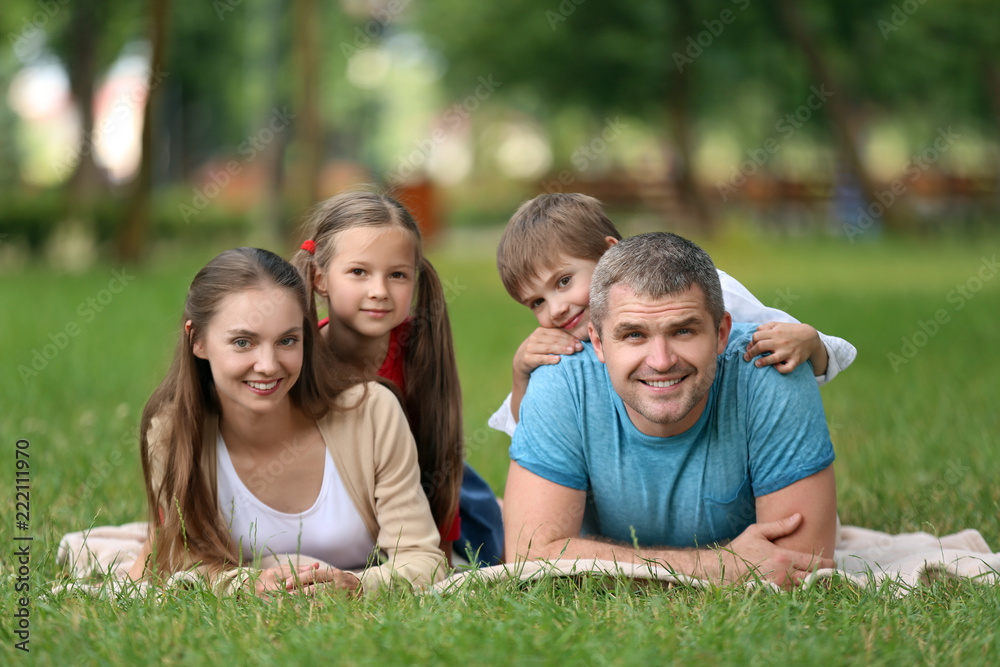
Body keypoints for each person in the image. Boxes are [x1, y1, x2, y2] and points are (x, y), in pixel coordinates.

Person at [504, 232, 838, 588]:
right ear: (598, 342)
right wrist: (719, 566)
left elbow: (797, 566)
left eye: (683, 331)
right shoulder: (559, 377)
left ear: (722, 332)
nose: (661, 362)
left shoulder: (772, 365)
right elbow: (531, 559)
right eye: (634, 335)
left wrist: (592, 562)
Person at [129, 248, 445, 595]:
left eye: (287, 340)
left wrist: (354, 585)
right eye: (243, 342)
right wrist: (253, 584)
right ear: (198, 340)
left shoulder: (372, 413)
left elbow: (423, 560)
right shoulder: (172, 433)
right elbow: (190, 565)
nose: (268, 364)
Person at [489, 193, 857, 436]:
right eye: (536, 302)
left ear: (608, 255)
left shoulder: (696, 294)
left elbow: (796, 351)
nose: (556, 309)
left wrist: (809, 340)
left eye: (564, 281)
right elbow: (531, 433)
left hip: (729, 442)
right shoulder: (563, 345)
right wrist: (521, 374)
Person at [293, 190, 504, 566]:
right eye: (359, 272)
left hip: (422, 488)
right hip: (342, 492)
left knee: (490, 537)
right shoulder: (297, 358)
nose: (379, 291)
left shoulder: (417, 352)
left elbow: (440, 457)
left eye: (397, 275)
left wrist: (434, 555)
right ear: (320, 279)